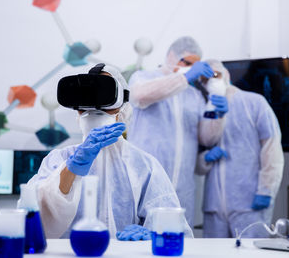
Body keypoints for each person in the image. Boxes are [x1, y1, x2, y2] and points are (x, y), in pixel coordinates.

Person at [27, 63, 188, 240]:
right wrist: (70, 170)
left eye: (105, 101)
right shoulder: (58, 160)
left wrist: (155, 236)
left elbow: (175, 227)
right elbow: (34, 221)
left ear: (123, 109)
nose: (94, 111)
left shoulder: (145, 166)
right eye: (86, 104)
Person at [128, 36, 228, 225]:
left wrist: (217, 114)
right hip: (144, 183)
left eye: (195, 65)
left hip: (181, 191)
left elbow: (205, 138)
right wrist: (183, 77)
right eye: (187, 62)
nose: (191, 68)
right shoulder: (144, 77)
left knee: (179, 249)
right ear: (171, 56)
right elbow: (139, 96)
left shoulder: (195, 96)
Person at [195, 59, 284, 238]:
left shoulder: (254, 103)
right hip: (214, 206)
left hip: (249, 202)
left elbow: (272, 148)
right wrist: (205, 158)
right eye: (204, 80)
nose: (210, 81)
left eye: (215, 75)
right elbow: (197, 150)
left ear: (226, 75)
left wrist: (266, 190)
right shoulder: (205, 110)